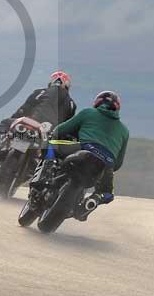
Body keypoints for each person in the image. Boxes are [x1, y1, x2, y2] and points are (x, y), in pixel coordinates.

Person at [49, 90, 129, 220]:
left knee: (51, 144)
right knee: (107, 194)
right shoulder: (125, 131)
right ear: (117, 108)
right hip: (106, 163)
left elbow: (60, 130)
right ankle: (93, 200)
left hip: (83, 149)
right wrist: (107, 167)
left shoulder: (88, 112)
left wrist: (54, 134)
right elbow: (118, 163)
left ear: (97, 103)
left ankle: (47, 173)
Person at [0, 71, 76, 161]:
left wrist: (15, 118)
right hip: (51, 133)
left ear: (52, 82)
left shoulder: (41, 92)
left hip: (32, 125)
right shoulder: (72, 104)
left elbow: (23, 109)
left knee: (4, 123)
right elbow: (68, 124)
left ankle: (4, 147)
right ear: (67, 85)